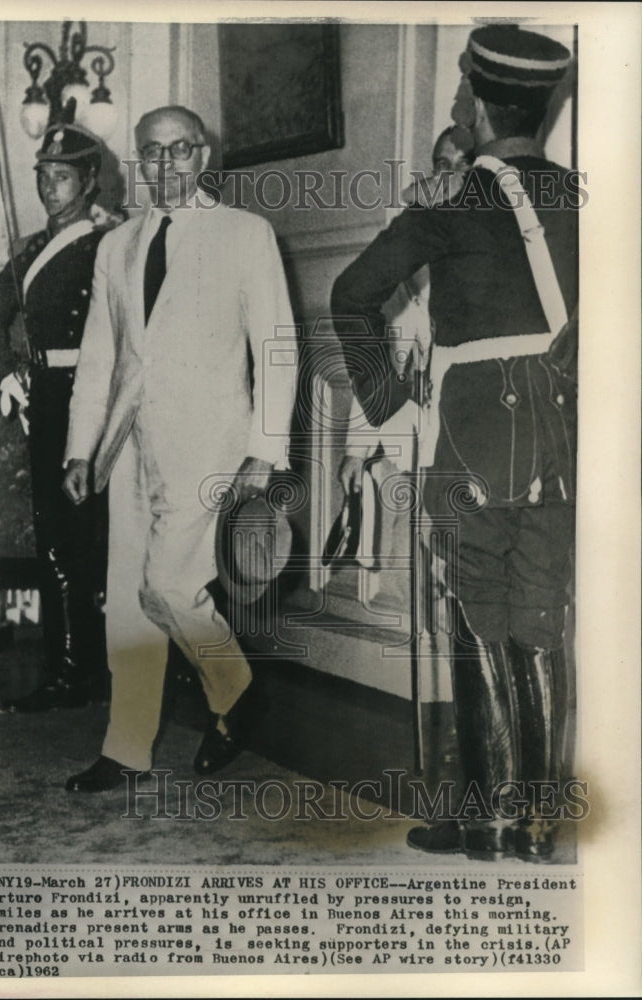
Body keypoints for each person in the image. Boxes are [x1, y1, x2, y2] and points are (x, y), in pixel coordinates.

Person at [332, 25, 577, 861]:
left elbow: (352, 293)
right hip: (569, 434)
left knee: (475, 618)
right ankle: (542, 831)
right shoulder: (588, 197)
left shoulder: (452, 199)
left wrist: (390, 399)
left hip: (472, 431)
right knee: (542, 616)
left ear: (475, 101)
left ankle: (489, 823)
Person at [61, 105, 296, 793]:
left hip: (211, 438)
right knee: (129, 602)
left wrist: (266, 449)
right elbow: (99, 355)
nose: (166, 167)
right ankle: (126, 747)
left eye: (180, 150)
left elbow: (276, 346)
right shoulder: (118, 245)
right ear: (138, 160)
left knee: (167, 583)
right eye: (151, 153)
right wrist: (81, 448)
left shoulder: (244, 233)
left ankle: (236, 686)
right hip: (130, 440)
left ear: (204, 156)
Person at [0, 122, 119, 711]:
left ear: (90, 180)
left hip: (95, 396)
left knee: (100, 536)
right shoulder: (30, 252)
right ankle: (68, 668)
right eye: (42, 176)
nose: (48, 188)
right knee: (55, 537)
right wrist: (7, 370)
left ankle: (103, 668)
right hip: (47, 396)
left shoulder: (111, 242)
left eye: (61, 177)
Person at [338, 126, 474, 606]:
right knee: (408, 537)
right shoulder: (412, 253)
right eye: (443, 163)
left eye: (465, 164)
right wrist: (357, 449)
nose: (452, 174)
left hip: (484, 424)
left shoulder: (502, 243)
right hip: (422, 425)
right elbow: (384, 352)